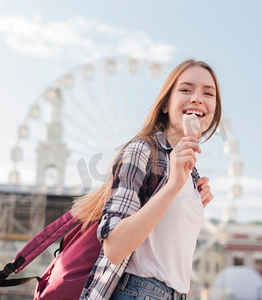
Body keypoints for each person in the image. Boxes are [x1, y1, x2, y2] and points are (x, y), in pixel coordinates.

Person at [71, 59, 222, 300]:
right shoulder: (142, 150)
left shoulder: (190, 172)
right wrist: (173, 187)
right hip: (138, 292)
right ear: (165, 105)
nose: (197, 97)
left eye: (208, 93)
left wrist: (190, 200)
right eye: (185, 89)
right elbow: (114, 247)